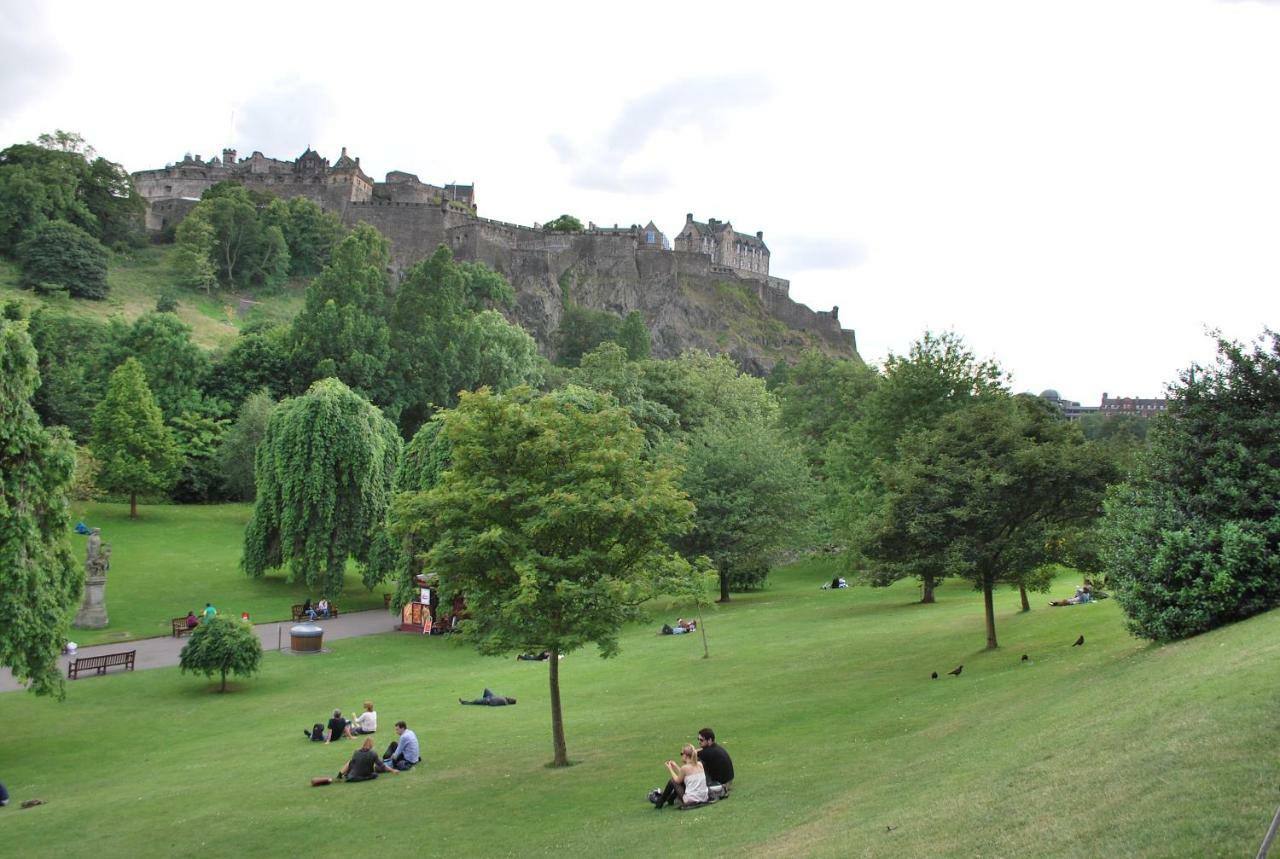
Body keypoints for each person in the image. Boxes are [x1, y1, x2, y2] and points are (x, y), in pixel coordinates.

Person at [652, 744, 708, 809]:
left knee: (672, 781)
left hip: (691, 800)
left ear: (685, 755)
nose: (681, 756)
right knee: (678, 781)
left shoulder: (685, 768)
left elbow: (677, 781)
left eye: (681, 754)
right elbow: (685, 775)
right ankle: (668, 800)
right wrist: (675, 766)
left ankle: (660, 802)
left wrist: (670, 768)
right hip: (704, 797)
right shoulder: (699, 764)